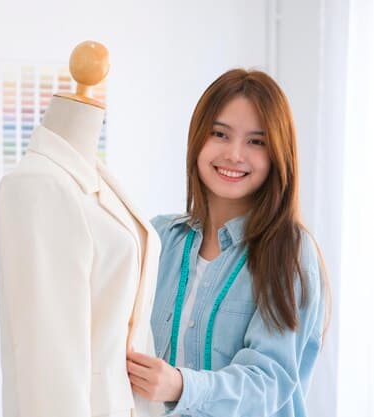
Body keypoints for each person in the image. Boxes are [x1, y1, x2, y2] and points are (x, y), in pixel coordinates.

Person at [126, 69, 330, 417]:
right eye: (220, 134)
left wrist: (181, 385)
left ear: (278, 155)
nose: (234, 154)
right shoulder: (159, 238)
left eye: (256, 141)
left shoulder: (290, 252)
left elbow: (269, 382)